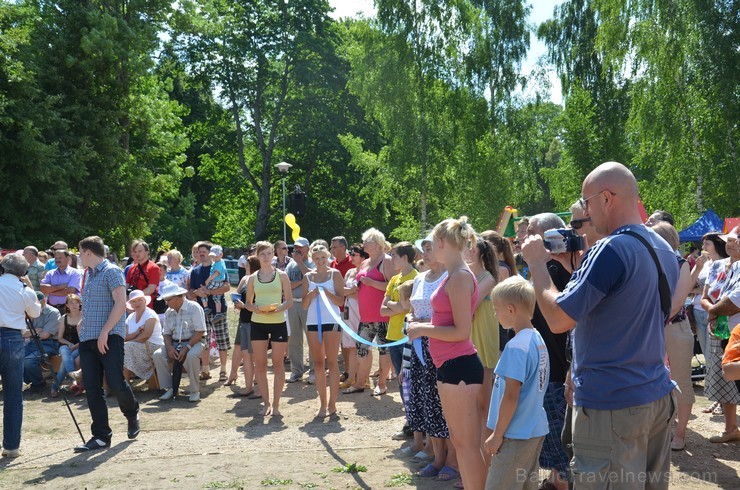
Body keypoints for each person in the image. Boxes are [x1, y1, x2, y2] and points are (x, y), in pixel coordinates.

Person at [522, 162, 679, 488]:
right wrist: (574, 269)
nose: (585, 215)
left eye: (587, 203)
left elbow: (557, 319)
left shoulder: (611, 248)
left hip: (613, 404)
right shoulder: (663, 247)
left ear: (607, 198)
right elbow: (621, 312)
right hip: (656, 394)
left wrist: (537, 265)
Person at [407, 217, 486, 490]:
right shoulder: (455, 275)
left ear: (441, 243)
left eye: (431, 243)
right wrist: (422, 327)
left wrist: (422, 329)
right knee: (461, 441)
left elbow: (462, 331)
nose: (428, 249)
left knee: (466, 444)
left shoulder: (460, 277)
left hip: (459, 365)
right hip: (451, 365)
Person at [75, 236, 140, 453]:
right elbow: (93, 304)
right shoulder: (89, 275)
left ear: (87, 252)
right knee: (92, 388)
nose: (78, 256)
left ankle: (132, 414)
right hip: (88, 339)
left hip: (110, 337)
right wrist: (83, 323)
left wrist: (105, 331)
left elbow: (121, 304)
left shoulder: (111, 271)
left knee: (116, 382)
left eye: (79, 252)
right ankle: (101, 436)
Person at [485, 276, 550, 490]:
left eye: (496, 309)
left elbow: (511, 395)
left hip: (515, 434)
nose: (495, 314)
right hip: (534, 429)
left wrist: (497, 435)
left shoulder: (516, 347)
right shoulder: (537, 339)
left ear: (511, 309)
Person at [526, 213, 572, 489]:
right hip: (548, 364)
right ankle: (556, 480)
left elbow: (553, 320)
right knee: (553, 433)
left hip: (556, 366)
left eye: (530, 231)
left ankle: (562, 483)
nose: (524, 236)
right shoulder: (548, 269)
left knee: (557, 433)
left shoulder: (554, 271)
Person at [404, 237, 454, 477]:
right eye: (423, 249)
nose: (426, 253)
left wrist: (424, 324)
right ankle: (434, 453)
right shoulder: (419, 278)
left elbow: (450, 315)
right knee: (424, 399)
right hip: (417, 345)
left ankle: (445, 458)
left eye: (431, 248)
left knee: (438, 400)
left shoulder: (450, 278)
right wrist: (411, 322)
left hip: (438, 343)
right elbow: (412, 311)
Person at [650, 222, 697, 451]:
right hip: (654, 329)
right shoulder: (649, 262)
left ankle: (680, 434)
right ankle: (663, 431)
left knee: (680, 381)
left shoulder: (681, 264)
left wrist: (654, 322)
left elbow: (678, 302)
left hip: (674, 329)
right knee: (657, 381)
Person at [245, 241, 293, 416]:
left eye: (269, 253)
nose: (266, 257)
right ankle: (266, 403)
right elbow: (248, 304)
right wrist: (255, 308)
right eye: (263, 254)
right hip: (258, 323)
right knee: (261, 365)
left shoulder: (282, 276)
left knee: (278, 364)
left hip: (278, 321)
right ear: (257, 256)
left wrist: (277, 308)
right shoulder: (252, 278)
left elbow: (288, 301)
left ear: (274, 254)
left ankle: (277, 404)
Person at [0, 253, 41, 458]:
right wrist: (30, 288)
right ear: (23, 272)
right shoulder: (23, 289)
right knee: (13, 394)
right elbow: (35, 313)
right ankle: (11, 446)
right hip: (12, 338)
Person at [463, 234, 499, 467]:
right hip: (466, 342)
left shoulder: (488, 278)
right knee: (471, 408)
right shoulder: (465, 277)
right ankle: (475, 463)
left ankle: (486, 463)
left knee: (484, 406)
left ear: (477, 251)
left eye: (468, 247)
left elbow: (467, 308)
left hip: (483, 345)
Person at [344, 228, 393, 394]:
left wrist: (372, 283)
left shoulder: (386, 261)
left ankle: (382, 384)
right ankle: (360, 383)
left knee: (384, 350)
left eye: (367, 241)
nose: (363, 243)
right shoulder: (365, 262)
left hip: (383, 315)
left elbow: (393, 287)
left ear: (378, 244)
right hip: (365, 315)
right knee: (362, 349)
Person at [702, 226, 740, 443]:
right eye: (729, 240)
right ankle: (730, 428)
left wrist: (714, 313)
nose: (731, 243)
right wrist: (713, 314)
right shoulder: (716, 266)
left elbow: (733, 303)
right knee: (726, 377)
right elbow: (706, 297)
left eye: (735, 239)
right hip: (720, 328)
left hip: (733, 327)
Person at [302, 244, 345, 417]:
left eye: (323, 258)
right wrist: (309, 296)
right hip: (313, 322)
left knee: (332, 362)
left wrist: (327, 293)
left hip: (332, 322)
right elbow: (304, 305)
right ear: (312, 259)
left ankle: (333, 404)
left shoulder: (334, 274)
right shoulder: (308, 277)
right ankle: (322, 404)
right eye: (317, 258)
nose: (320, 261)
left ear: (328, 257)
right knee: (318, 363)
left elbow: (341, 301)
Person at [153, 282, 206, 402]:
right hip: (175, 343)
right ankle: (170, 388)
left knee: (191, 355)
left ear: (177, 298)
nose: (166, 303)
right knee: (158, 355)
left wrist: (187, 347)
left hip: (195, 342)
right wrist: (169, 348)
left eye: (168, 300)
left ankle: (194, 390)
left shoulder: (194, 307)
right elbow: (166, 333)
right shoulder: (169, 312)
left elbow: (200, 331)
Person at [187, 241, 231, 381]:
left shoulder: (219, 265)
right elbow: (190, 293)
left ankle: (223, 370)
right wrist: (198, 293)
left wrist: (210, 292)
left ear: (210, 253)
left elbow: (227, 287)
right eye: (199, 252)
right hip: (202, 311)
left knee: (222, 340)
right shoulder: (195, 271)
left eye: (204, 252)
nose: (201, 254)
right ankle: (205, 370)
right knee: (204, 341)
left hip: (219, 310)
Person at [380, 242, 418, 397]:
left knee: (412, 378)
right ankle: (408, 416)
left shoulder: (417, 278)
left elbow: (408, 307)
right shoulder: (394, 279)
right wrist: (398, 305)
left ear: (404, 257)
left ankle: (414, 417)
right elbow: (383, 310)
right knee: (400, 378)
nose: (390, 259)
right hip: (393, 336)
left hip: (409, 336)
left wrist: (394, 305)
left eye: (393, 255)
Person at [228, 256, 260, 396]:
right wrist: (237, 303)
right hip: (244, 321)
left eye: (246, 264)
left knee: (257, 357)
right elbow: (239, 294)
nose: (244, 265)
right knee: (246, 356)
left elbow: (258, 304)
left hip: (256, 322)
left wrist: (244, 306)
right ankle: (248, 387)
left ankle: (258, 385)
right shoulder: (245, 279)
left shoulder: (259, 280)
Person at [285, 237, 314, 383]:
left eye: (301, 247)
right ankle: (296, 371)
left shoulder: (313, 262)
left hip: (308, 304)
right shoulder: (290, 265)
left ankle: (314, 371)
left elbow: (311, 279)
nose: (298, 250)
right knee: (294, 339)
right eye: (296, 247)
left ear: (308, 249)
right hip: (293, 305)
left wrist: (300, 263)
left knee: (312, 338)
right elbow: (286, 285)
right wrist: (301, 281)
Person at [339, 244, 367, 390]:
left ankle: (364, 378)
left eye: (355, 254)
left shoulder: (366, 272)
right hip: (349, 309)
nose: (351, 256)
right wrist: (351, 291)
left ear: (363, 257)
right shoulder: (350, 272)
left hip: (361, 310)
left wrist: (350, 292)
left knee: (363, 345)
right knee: (350, 345)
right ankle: (351, 377)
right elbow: (341, 290)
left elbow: (363, 294)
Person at [123, 290, 164, 385]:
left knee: (125, 347)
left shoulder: (150, 314)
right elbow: (125, 337)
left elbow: (146, 336)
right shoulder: (130, 317)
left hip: (153, 345)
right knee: (120, 349)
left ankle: (126, 385)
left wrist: (130, 341)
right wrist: (137, 332)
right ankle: (118, 385)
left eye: (140, 300)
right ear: (131, 305)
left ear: (145, 301)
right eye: (134, 301)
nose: (137, 303)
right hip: (136, 346)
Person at [22, 292, 61, 393]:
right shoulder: (29, 311)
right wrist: (37, 330)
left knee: (29, 361)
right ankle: (29, 380)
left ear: (43, 301)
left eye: (35, 303)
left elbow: (45, 335)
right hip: (32, 343)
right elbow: (22, 333)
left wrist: (31, 331)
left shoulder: (53, 312)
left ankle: (39, 384)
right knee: (15, 357)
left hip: (50, 344)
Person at [52, 294, 82, 398]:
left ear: (80, 303)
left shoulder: (85, 316)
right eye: (71, 303)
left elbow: (86, 337)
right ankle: (73, 380)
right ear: (67, 305)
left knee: (67, 360)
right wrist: (69, 344)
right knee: (66, 354)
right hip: (66, 344)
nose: (74, 305)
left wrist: (76, 345)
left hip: (81, 345)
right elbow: (60, 337)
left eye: (76, 302)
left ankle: (55, 386)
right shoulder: (64, 318)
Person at [40, 248, 82, 313]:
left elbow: (70, 292)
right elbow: (42, 288)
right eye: (56, 258)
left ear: (67, 259)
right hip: (51, 308)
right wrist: (61, 287)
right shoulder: (50, 273)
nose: (57, 260)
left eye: (60, 258)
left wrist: (50, 291)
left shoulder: (75, 273)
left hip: (68, 309)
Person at [125, 240, 160, 309]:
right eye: (135, 251)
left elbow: (151, 289)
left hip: (148, 306)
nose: (137, 254)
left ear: (147, 252)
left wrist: (135, 297)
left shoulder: (153, 268)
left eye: (140, 251)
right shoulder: (131, 268)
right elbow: (126, 286)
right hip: (132, 306)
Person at [204, 245, 228, 318]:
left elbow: (216, 273)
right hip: (218, 282)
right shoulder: (219, 262)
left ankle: (205, 308)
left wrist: (208, 280)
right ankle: (218, 312)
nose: (214, 258)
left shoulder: (219, 263)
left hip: (215, 281)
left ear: (221, 255)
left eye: (216, 256)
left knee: (204, 291)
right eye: (213, 256)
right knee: (217, 298)